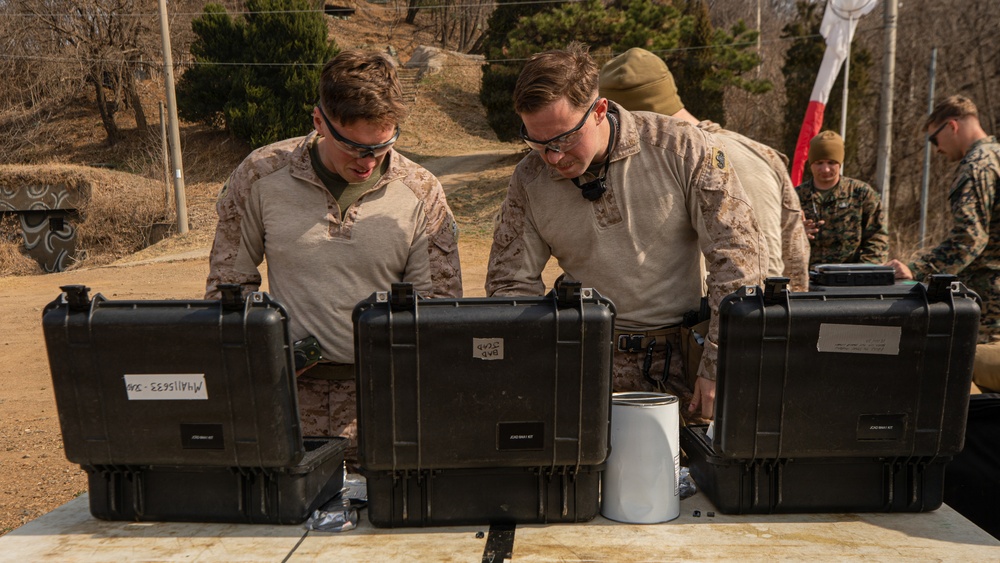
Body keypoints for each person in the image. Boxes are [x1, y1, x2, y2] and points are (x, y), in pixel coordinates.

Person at [204, 50, 463, 465]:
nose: (369, 161)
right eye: (355, 147)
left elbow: (437, 310)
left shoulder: (421, 191)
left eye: (383, 145)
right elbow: (228, 290)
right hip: (285, 401)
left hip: (385, 403)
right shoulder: (261, 175)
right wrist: (261, 359)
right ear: (319, 121)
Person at [486, 43, 765, 421]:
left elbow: (738, 260)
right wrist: (539, 369)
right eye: (536, 142)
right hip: (586, 362)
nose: (552, 157)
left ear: (599, 110)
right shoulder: (530, 179)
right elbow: (509, 285)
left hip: (687, 365)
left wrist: (719, 364)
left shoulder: (681, 148)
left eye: (563, 139)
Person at [598, 47, 809, 292]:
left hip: (716, 315)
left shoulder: (665, 161)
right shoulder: (761, 153)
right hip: (774, 312)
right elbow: (795, 254)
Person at [886, 95, 1000, 392]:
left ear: (952, 126)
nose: (937, 149)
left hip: (989, 303)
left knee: (964, 381)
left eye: (934, 139)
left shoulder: (975, 167)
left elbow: (970, 238)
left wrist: (918, 268)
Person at [796, 130, 888, 269]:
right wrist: (796, 234)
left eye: (831, 162)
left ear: (840, 163)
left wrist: (864, 272)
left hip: (850, 278)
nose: (825, 169)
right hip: (805, 277)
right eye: (819, 163)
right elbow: (774, 237)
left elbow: (877, 239)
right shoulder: (794, 197)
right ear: (811, 163)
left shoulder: (861, 194)